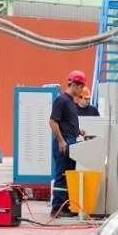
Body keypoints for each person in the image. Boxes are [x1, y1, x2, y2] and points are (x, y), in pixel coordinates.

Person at [49, 70, 86, 217]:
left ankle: (65, 207)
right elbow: (53, 121)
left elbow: (65, 123)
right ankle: (57, 209)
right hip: (64, 142)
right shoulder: (62, 100)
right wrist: (61, 141)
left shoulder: (70, 102)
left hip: (71, 140)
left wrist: (78, 131)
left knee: (68, 176)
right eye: (81, 87)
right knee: (62, 176)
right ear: (74, 85)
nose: (82, 90)